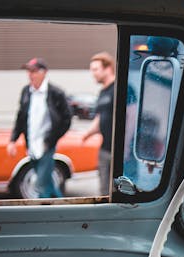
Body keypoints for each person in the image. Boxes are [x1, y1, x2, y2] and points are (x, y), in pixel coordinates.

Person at [7, 57, 72, 198]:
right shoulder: (26, 92)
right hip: (31, 144)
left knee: (40, 185)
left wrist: (51, 139)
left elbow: (66, 119)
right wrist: (13, 140)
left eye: (34, 71)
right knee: (47, 183)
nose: (30, 74)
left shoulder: (56, 93)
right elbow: (21, 117)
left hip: (46, 145)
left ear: (44, 72)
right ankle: (62, 208)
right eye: (29, 71)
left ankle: (43, 215)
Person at [82, 52, 116, 195]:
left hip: (117, 151)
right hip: (104, 149)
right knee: (103, 191)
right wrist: (85, 135)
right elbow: (100, 118)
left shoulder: (118, 89)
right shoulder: (103, 92)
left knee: (116, 192)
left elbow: (131, 118)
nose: (93, 74)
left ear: (108, 69)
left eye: (95, 69)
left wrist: (125, 150)